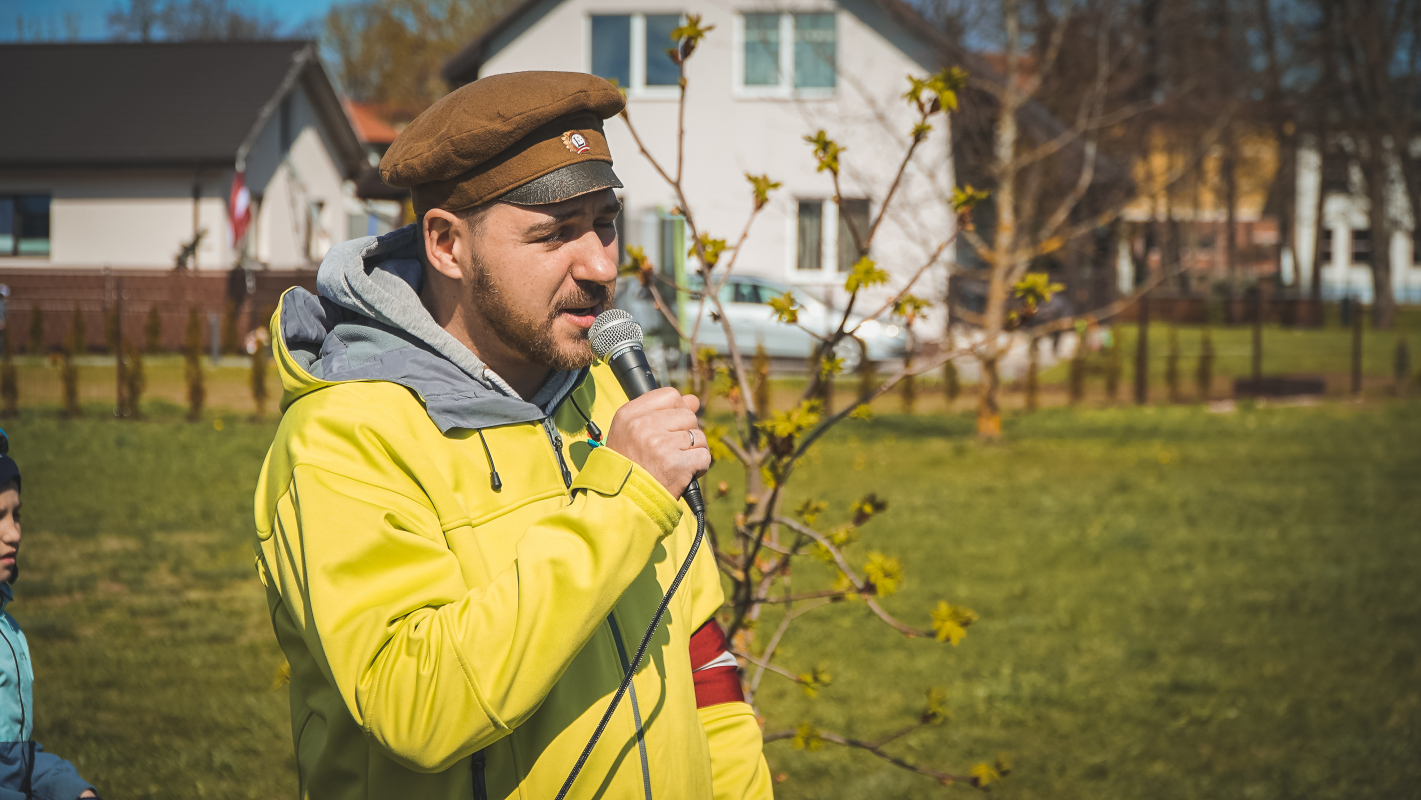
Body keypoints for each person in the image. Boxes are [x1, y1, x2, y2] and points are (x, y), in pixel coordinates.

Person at [253, 72, 773, 800]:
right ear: (446, 244)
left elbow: (700, 656)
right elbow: (416, 708)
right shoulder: (345, 436)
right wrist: (620, 505)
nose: (600, 265)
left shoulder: (608, 394)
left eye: (604, 222)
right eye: (555, 233)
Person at [0, 432, 99, 800]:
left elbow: (12, 757)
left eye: (16, 514)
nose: (14, 533)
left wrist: (71, 790)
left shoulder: (6, 628)